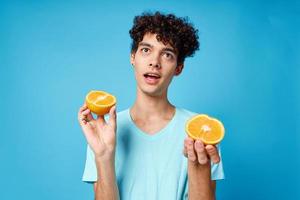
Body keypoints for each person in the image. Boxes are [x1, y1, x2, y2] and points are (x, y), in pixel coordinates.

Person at [78, 11, 225, 200]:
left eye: (167, 55)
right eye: (146, 50)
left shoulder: (200, 132)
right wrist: (104, 156)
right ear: (133, 57)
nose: (154, 62)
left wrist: (200, 170)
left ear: (179, 68)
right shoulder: (104, 131)